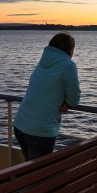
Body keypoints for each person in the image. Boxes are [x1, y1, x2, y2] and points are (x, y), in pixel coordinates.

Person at [14, 32, 81, 160]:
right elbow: (74, 97)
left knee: (29, 168)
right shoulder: (68, 65)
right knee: (39, 174)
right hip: (40, 131)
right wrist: (68, 103)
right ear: (70, 50)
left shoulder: (43, 61)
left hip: (20, 125)